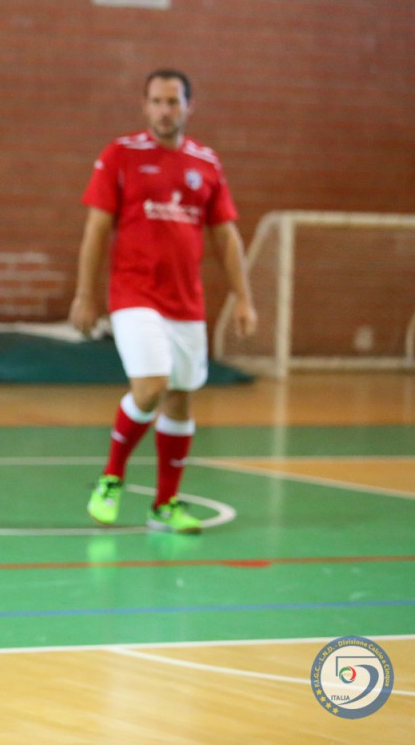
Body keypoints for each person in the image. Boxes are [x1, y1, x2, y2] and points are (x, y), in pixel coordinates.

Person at [70, 69, 257, 534]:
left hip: (186, 302)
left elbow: (226, 237)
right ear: (145, 105)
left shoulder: (206, 163)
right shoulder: (121, 155)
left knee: (179, 399)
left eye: (173, 101)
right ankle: (112, 477)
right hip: (134, 295)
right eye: (156, 100)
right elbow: (96, 229)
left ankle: (165, 506)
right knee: (151, 385)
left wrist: (244, 297)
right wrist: (85, 294)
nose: (164, 110)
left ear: (189, 107)